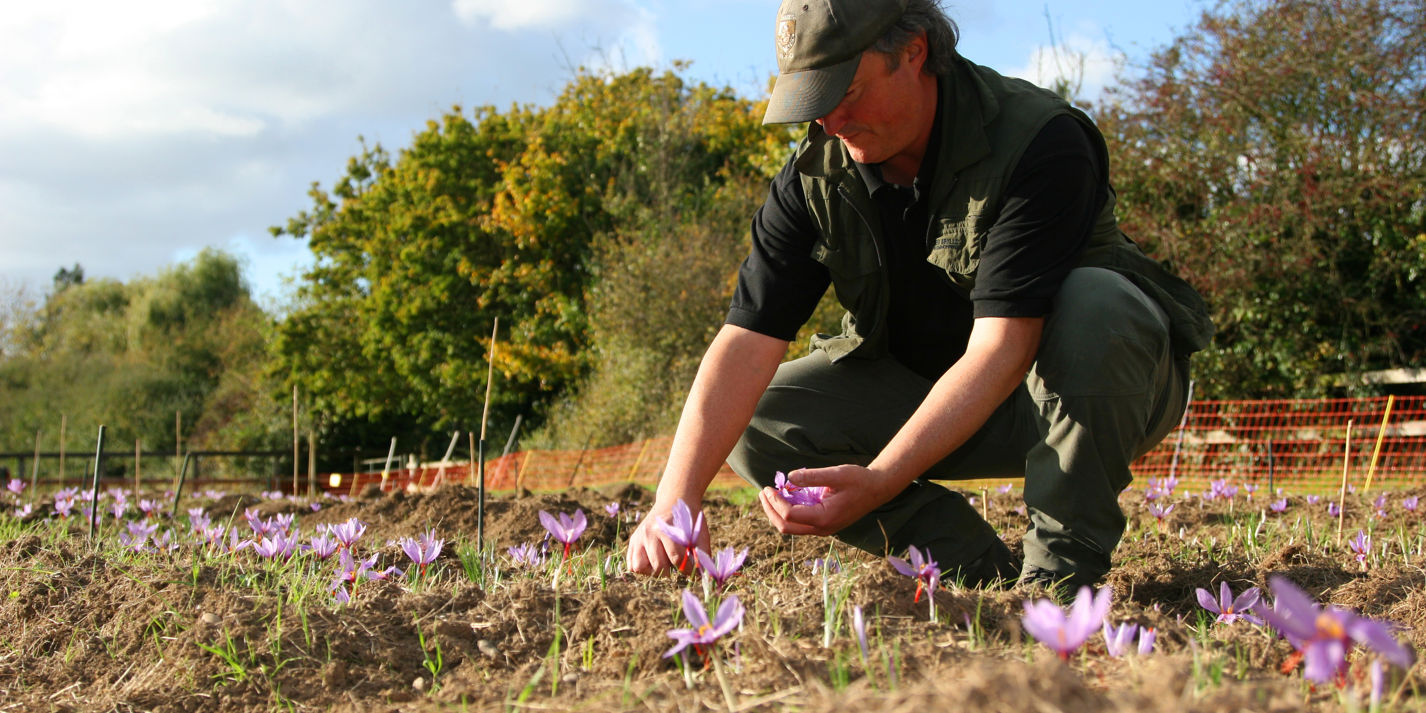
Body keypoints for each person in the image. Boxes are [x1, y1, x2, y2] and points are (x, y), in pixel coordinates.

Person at [626, 0, 1212, 590]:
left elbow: (1003, 348)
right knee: (763, 421)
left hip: (1085, 393)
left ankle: (1060, 582)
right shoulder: (814, 174)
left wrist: (881, 479)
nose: (829, 120)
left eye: (845, 92)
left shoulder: (1040, 139)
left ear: (913, 51)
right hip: (936, 404)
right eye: (812, 100)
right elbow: (746, 341)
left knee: (1096, 303)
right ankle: (975, 570)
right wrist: (675, 499)